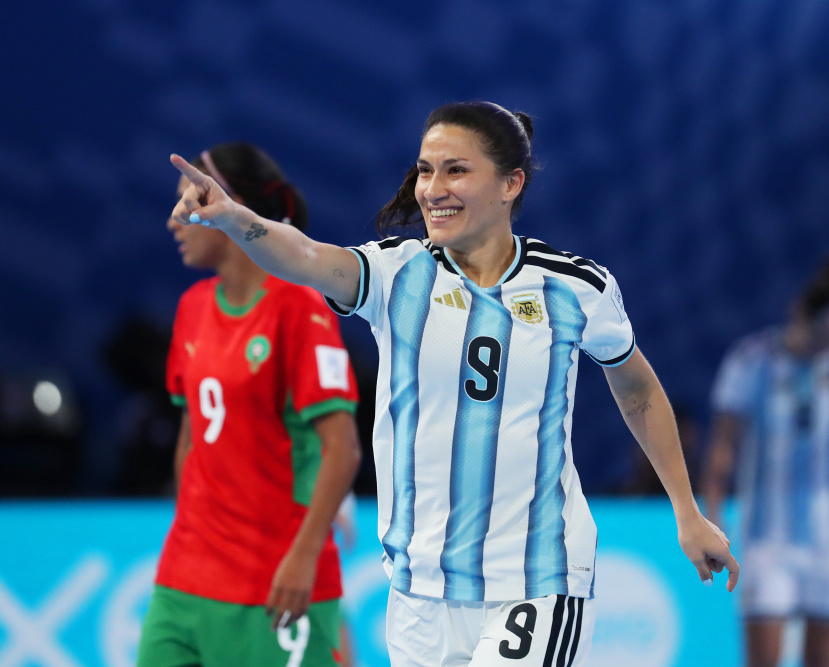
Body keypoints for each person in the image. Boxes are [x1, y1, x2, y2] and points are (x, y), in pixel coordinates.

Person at [168, 101, 738, 667]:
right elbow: (303, 256)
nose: (432, 188)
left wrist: (686, 510)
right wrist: (231, 217)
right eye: (424, 169)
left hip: (536, 578)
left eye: (456, 170)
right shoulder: (396, 273)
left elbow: (636, 388)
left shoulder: (573, 287)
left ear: (511, 183)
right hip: (420, 589)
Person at [137, 142, 362, 667]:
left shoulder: (301, 306)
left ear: (224, 203)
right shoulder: (191, 309)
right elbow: (191, 436)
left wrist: (305, 558)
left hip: (272, 579)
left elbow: (342, 449)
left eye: (185, 203)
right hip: (184, 577)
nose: (174, 220)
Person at [702, 256, 829, 667]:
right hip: (766, 542)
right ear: (798, 310)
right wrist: (713, 519)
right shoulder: (751, 360)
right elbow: (722, 449)